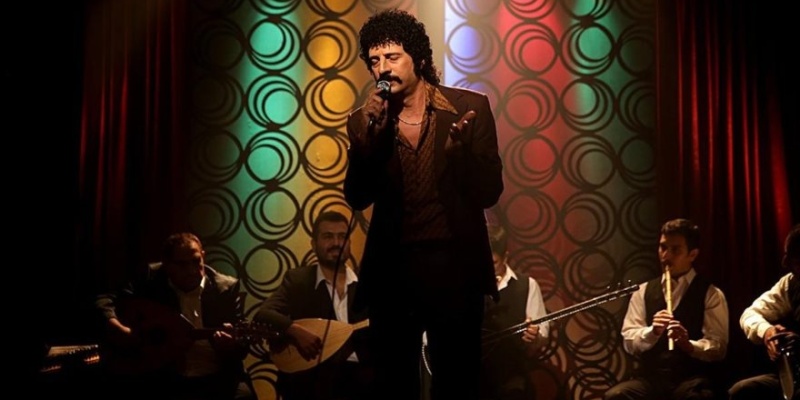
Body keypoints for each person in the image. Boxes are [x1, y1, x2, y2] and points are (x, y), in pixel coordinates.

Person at [344, 8, 504, 400]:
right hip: (394, 274)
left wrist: (459, 158)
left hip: (456, 269)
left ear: (417, 57)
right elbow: (357, 197)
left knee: (457, 382)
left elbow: (490, 192)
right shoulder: (363, 119)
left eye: (392, 56)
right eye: (374, 61)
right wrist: (369, 142)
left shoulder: (469, 108)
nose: (383, 68)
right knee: (394, 384)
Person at [95, 233, 255, 400]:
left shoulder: (225, 289)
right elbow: (105, 299)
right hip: (165, 375)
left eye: (196, 261)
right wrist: (117, 327)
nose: (191, 270)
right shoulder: (151, 278)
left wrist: (231, 345)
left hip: (217, 375)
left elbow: (240, 349)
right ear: (166, 264)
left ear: (203, 256)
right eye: (182, 264)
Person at [605, 218, 729, 400]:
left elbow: (718, 348)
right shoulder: (643, 290)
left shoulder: (711, 293)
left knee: (695, 397)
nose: (666, 256)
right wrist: (653, 332)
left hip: (691, 377)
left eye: (675, 250)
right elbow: (629, 342)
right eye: (663, 247)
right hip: (652, 378)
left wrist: (689, 345)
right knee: (617, 395)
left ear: (692, 254)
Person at [254, 210, 372, 400]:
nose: (336, 243)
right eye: (328, 236)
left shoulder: (367, 286)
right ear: (313, 244)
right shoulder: (298, 281)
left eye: (342, 236)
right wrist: (295, 330)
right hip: (312, 380)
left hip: (361, 381)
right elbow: (264, 314)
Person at [728, 223, 800, 400]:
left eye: (795, 261)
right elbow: (749, 314)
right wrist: (767, 332)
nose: (785, 264)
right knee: (741, 391)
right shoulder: (790, 283)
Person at [481, 223, 549, 400]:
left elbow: (542, 332)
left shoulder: (527, 285)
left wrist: (534, 336)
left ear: (505, 257)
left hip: (513, 378)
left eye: (493, 263)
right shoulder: (468, 287)